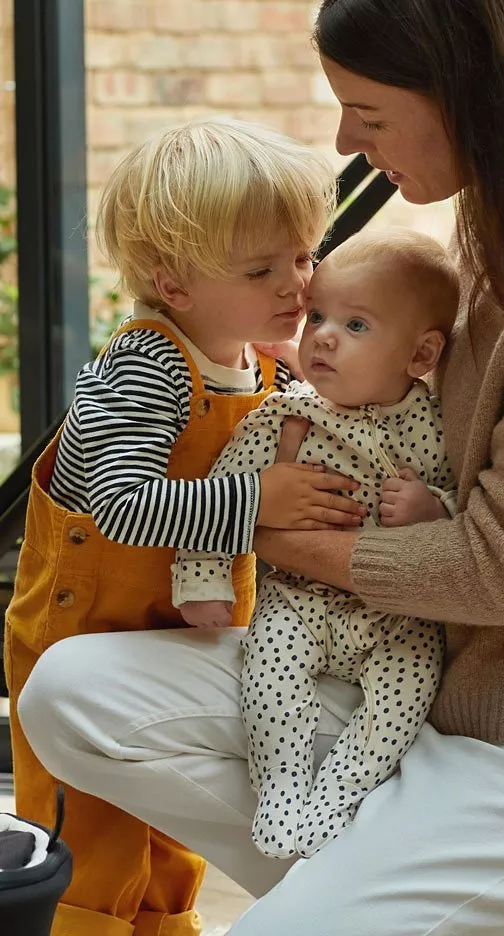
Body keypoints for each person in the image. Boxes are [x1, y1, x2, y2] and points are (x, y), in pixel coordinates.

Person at [16, 1, 504, 934]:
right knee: (70, 692)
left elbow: (501, 568)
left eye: (367, 115)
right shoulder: (502, 227)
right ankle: (457, 895)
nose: (345, 141)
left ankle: (491, 886)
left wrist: (260, 520)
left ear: (470, 95)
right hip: (457, 700)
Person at [4, 115, 365, 936]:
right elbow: (123, 506)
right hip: (81, 628)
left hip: (188, 627)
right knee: (89, 836)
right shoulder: (148, 363)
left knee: (171, 833)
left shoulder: (264, 363)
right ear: (174, 285)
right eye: (262, 268)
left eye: (306, 256)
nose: (296, 285)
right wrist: (263, 502)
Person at [173, 228, 458, 860]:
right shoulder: (283, 417)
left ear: (420, 355)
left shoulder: (437, 429)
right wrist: (203, 580)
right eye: (319, 316)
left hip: (397, 616)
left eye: (357, 325)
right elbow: (223, 494)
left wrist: (433, 509)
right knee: (269, 674)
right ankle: (281, 787)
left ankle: (338, 794)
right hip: (297, 601)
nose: (323, 335)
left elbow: (476, 513)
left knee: (407, 694)